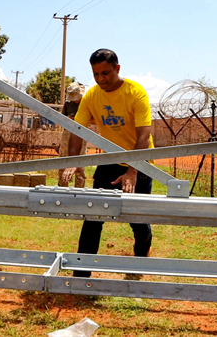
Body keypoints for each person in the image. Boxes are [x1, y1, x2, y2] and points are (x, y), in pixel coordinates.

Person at [61, 49, 154, 279]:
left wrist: (133, 171)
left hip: (140, 162)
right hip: (109, 161)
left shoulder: (135, 93)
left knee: (138, 221)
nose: (101, 79)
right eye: (96, 74)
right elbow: (77, 131)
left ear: (117, 69)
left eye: (106, 73)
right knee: (93, 217)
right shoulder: (92, 96)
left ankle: (141, 259)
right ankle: (81, 275)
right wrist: (74, 162)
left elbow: (144, 136)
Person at [58, 81, 87, 187]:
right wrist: (68, 120)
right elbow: (62, 118)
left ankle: (79, 188)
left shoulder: (86, 102)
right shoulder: (68, 104)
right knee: (63, 160)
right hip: (67, 132)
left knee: (80, 161)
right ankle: (62, 186)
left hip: (81, 133)